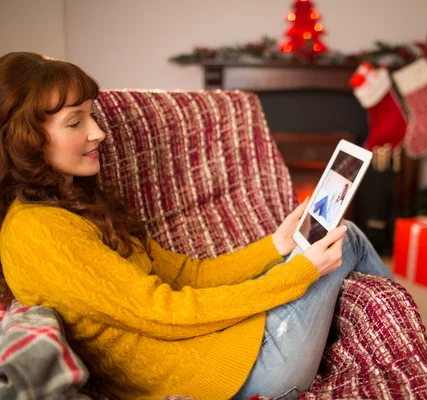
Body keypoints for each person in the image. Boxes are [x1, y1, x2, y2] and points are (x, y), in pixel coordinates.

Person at [0, 52, 397, 400]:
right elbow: (165, 312)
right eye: (75, 123)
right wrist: (298, 274)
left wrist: (274, 247)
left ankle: (400, 343)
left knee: (330, 236)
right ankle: (406, 358)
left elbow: (189, 274)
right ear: (25, 139)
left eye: (91, 115)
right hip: (240, 377)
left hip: (226, 357)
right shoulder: (39, 231)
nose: (98, 132)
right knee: (350, 238)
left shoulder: (74, 206)